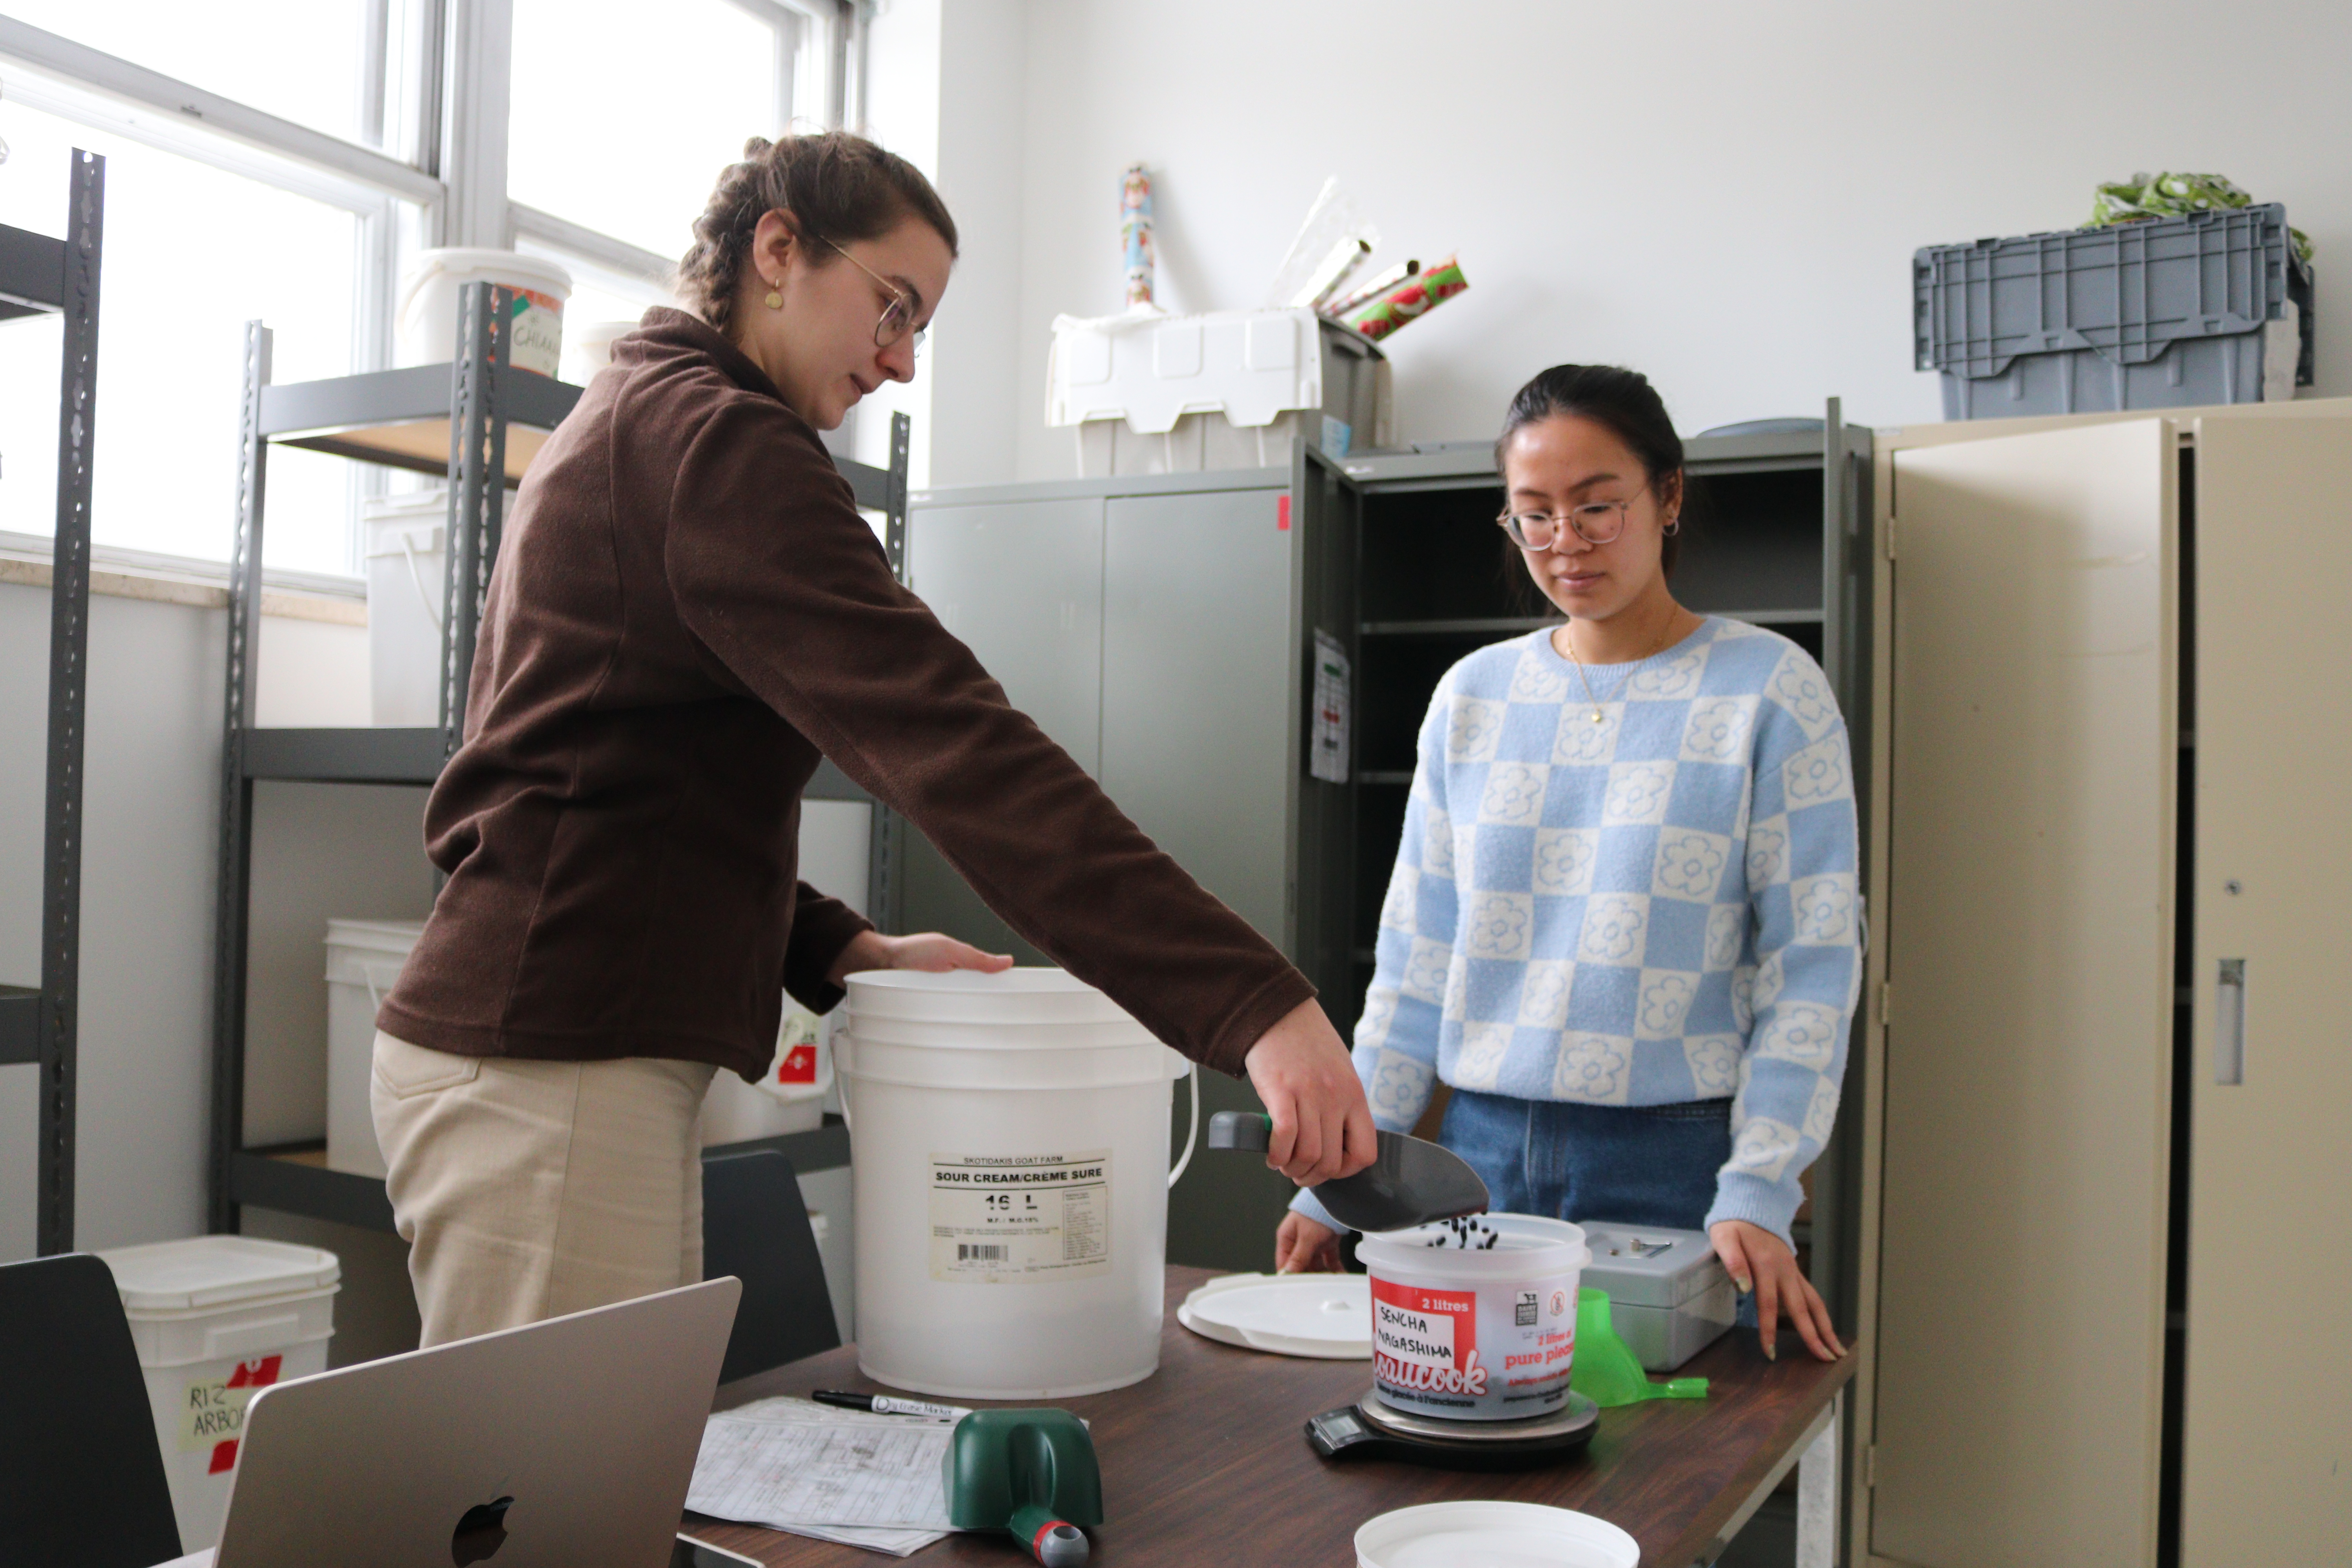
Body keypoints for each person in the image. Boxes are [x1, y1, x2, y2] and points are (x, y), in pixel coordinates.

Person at [370, 131, 1374, 1346]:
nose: (899, 363)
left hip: (546, 1057)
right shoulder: (718, 443)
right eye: (891, 309)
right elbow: (960, 751)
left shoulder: (641, 417)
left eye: (921, 332)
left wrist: (844, 947)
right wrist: (1254, 1005)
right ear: (779, 249)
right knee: (550, 1516)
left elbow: (612, 791)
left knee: (586, 1491)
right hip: (550, 1072)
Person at [1274, 365, 1857, 1362]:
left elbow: (1812, 966)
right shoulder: (1474, 697)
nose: (1566, 543)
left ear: (1668, 497)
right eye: (1533, 515)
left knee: (1654, 1482)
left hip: (1676, 1164)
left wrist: (1761, 1184)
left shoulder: (1769, 691)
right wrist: (1340, 1178)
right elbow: (1417, 961)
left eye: (1596, 507)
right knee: (1462, 1452)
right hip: (1477, 1158)